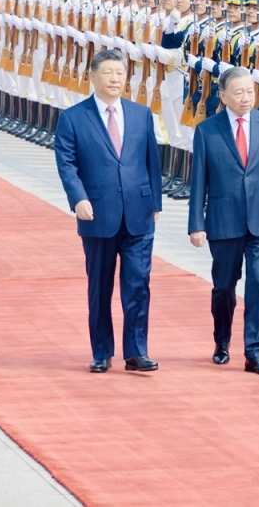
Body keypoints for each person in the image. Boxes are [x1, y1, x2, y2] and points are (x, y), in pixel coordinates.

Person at [54, 49, 162, 374]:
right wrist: (78, 199)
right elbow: (67, 163)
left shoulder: (141, 114)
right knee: (100, 288)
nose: (115, 79)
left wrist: (155, 201)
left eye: (120, 73)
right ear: (92, 76)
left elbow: (151, 162)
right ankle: (102, 352)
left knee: (138, 284)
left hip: (139, 214)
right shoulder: (73, 117)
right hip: (97, 215)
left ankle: (136, 351)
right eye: (108, 73)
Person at [188, 67, 259, 375]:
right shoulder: (207, 130)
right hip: (223, 220)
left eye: (250, 91)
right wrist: (197, 224)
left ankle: (255, 352)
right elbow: (198, 182)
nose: (246, 97)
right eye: (238, 92)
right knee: (224, 286)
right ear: (222, 96)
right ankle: (222, 341)